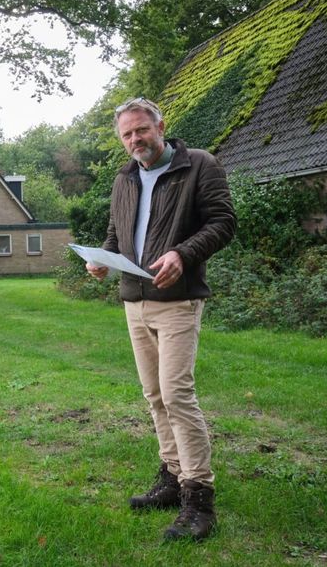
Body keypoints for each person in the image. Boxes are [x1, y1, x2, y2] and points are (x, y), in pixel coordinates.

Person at [86, 97, 236, 541]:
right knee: (154, 395)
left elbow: (224, 222)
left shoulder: (200, 165)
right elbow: (118, 233)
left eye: (141, 130)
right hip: (134, 299)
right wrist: (103, 260)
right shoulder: (125, 177)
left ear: (160, 126)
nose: (135, 140)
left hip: (178, 300)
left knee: (176, 395)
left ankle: (199, 499)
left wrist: (182, 253)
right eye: (127, 135)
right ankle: (171, 478)